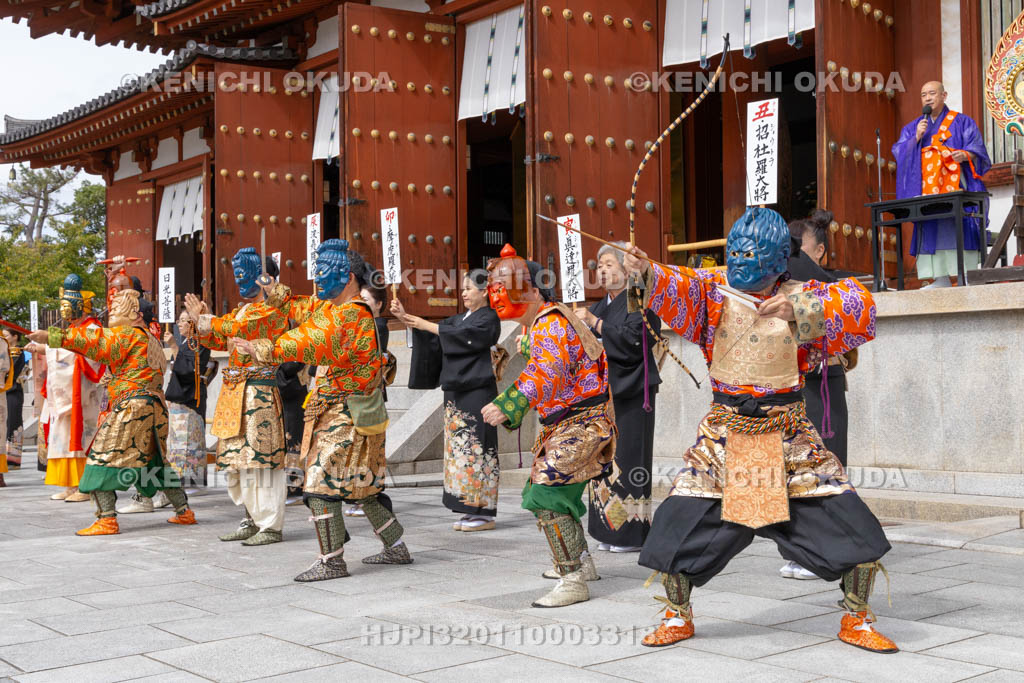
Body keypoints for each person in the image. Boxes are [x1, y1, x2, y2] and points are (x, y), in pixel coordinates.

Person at [624, 207, 897, 653]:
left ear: (778, 265)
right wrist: (646, 271)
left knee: (854, 528)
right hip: (724, 438)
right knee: (675, 525)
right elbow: (677, 283)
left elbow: (861, 307)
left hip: (790, 436)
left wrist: (801, 309)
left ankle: (857, 618)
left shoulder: (802, 293)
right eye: (737, 256)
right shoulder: (712, 292)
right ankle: (676, 614)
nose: (743, 267)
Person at [234, 239, 412, 582]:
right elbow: (301, 308)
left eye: (322, 272)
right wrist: (275, 290)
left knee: (319, 486)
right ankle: (396, 547)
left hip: (348, 413)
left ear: (346, 276)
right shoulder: (334, 308)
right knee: (363, 487)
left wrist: (266, 347)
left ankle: (332, 561)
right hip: (345, 411)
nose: (315, 278)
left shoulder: (351, 314)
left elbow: (310, 338)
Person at [481, 245, 616, 607]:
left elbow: (548, 371)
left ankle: (572, 577)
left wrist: (508, 403)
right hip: (571, 422)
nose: (495, 294)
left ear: (532, 290)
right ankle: (581, 564)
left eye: (502, 285)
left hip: (582, 422)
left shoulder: (551, 322)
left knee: (545, 492)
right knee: (558, 494)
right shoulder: (544, 322)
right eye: (492, 286)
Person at [27, 289, 197, 535]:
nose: (113, 311)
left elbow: (95, 342)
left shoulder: (128, 335)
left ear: (136, 315)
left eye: (119, 308)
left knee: (100, 458)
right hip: (153, 408)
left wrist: (52, 335)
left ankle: (106, 518)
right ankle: (184, 511)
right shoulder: (149, 339)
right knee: (155, 463)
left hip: (132, 407)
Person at [181, 250, 290, 546]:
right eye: (237, 271)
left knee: (260, 460)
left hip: (258, 395)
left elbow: (236, 330)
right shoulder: (241, 311)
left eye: (246, 271)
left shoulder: (272, 310)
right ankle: (249, 518)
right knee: (237, 462)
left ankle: (269, 524)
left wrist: (204, 319)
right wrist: (198, 323)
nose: (240, 276)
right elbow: (218, 337)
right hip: (234, 394)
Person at [570, 242, 662, 555]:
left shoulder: (636, 297)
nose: (605, 271)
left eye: (611, 264)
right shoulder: (597, 307)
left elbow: (635, 338)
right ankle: (606, 528)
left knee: (629, 460)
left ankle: (631, 532)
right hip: (603, 396)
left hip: (633, 393)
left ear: (626, 269)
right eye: (601, 266)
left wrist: (595, 326)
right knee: (605, 461)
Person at [393, 269, 502, 531]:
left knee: (478, 449)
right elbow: (438, 333)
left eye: (468, 288)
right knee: (459, 452)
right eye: (462, 288)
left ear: (484, 291)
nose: (463, 293)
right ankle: (466, 507)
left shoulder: (489, 319)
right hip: (456, 393)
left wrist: (425, 324)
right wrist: (405, 317)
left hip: (477, 392)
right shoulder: (463, 318)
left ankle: (483, 512)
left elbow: (455, 334)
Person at [892, 81, 991, 287]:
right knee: (931, 226)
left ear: (944, 95)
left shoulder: (962, 121)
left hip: (956, 186)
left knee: (959, 223)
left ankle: (966, 274)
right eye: (923, 94)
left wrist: (964, 154)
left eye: (932, 93)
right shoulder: (914, 127)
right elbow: (899, 151)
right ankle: (940, 278)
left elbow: (977, 148)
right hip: (927, 189)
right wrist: (916, 138)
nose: (927, 98)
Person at [25, 275, 104, 503]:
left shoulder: (92, 328)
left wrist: (45, 347)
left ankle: (85, 485)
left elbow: (84, 356)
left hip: (83, 396)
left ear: (80, 307)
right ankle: (70, 485)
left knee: (81, 438)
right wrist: (45, 348)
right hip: (65, 394)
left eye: (68, 307)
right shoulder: (71, 329)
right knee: (63, 438)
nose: (64, 313)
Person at [2, 328, 28, 481]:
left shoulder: (16, 352)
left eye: (6, 335)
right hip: (7, 390)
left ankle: (13, 458)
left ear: (15, 337)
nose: (4, 337)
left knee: (13, 423)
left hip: (12, 391)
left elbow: (11, 374)